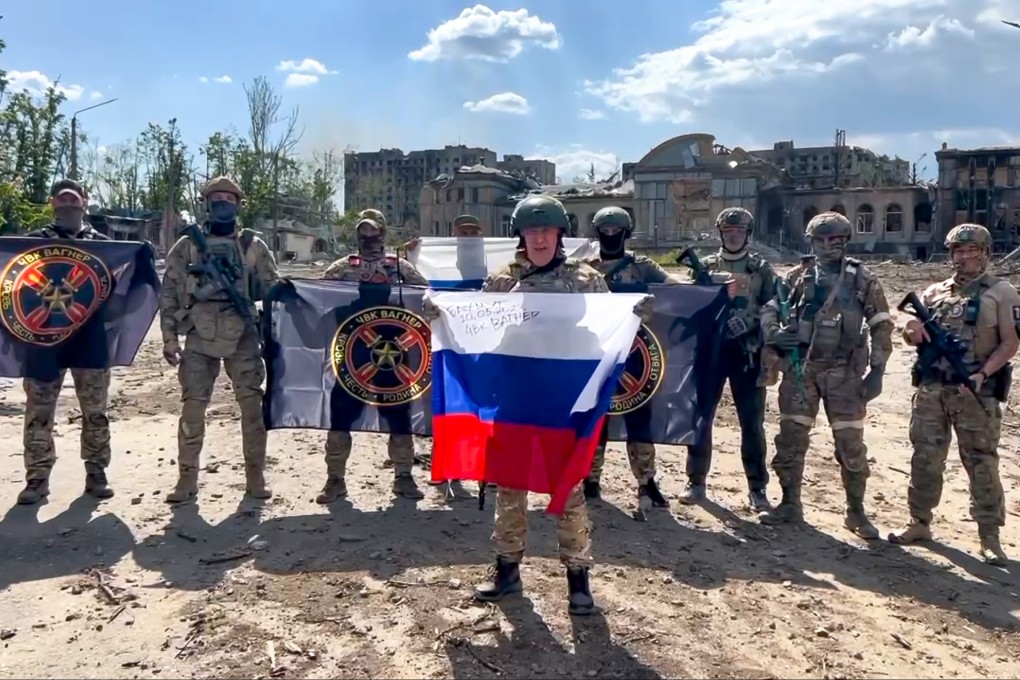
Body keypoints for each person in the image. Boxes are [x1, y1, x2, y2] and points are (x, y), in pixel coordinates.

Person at [459, 194, 631, 616]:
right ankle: (507, 570)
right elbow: (478, 329)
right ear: (520, 234)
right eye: (531, 230)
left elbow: (610, 326)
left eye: (546, 230)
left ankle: (578, 577)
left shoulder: (585, 279)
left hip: (563, 399)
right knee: (509, 484)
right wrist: (443, 317)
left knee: (568, 485)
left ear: (560, 234)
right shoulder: (502, 280)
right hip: (516, 395)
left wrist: (632, 313)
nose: (538, 238)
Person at [888, 224, 1019, 565]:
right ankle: (919, 522)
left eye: (972, 251)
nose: (965, 257)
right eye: (959, 251)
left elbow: (1010, 342)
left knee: (981, 463)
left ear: (985, 253)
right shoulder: (934, 293)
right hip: (933, 389)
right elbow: (911, 334)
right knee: (925, 458)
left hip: (975, 390)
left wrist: (981, 374)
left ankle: (989, 535)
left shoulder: (1001, 292)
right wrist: (911, 331)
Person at [758, 211, 893, 539]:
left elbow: (882, 325)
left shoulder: (863, 279)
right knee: (790, 440)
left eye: (835, 239)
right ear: (812, 242)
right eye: (821, 239)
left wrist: (877, 371)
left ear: (846, 241)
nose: (828, 245)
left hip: (844, 373)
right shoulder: (795, 277)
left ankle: (856, 512)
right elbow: (770, 309)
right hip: (801, 369)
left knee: (850, 444)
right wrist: (776, 334)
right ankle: (790, 503)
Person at [159, 176, 279, 504]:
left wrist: (273, 334)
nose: (223, 203)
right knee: (193, 409)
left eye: (229, 198)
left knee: (252, 409)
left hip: (242, 334)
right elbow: (168, 292)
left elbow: (273, 292)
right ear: (207, 204)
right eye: (216, 198)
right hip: (198, 335)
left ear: (239, 204)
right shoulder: (187, 245)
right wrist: (170, 338)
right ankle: (186, 480)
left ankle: (255, 477)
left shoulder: (253, 246)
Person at [316, 208, 431, 504]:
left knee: (399, 415)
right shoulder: (342, 268)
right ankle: (335, 480)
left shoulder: (400, 268)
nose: (368, 237)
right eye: (362, 232)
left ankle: (403, 476)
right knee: (341, 415)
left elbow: (426, 298)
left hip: (394, 354)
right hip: (352, 354)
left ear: (383, 232)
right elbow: (317, 299)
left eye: (373, 231)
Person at [15, 179, 114, 505]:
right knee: (38, 412)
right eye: (62, 200)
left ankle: (96, 472)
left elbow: (117, 290)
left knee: (95, 411)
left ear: (85, 203)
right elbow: (14, 286)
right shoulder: (31, 245)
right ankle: (37, 478)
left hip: (89, 340)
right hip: (43, 341)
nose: (69, 206)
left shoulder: (103, 246)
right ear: (52, 204)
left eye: (74, 200)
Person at [580, 205, 679, 516]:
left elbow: (675, 290)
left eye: (616, 231)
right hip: (595, 355)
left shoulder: (641, 266)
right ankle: (590, 479)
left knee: (639, 420)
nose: (611, 236)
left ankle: (646, 481)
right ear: (596, 233)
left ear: (626, 232)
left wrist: (709, 286)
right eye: (605, 231)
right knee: (595, 419)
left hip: (638, 357)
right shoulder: (583, 268)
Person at [678, 207, 777, 513]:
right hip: (712, 353)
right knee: (701, 418)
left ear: (748, 233)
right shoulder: (705, 266)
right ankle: (695, 481)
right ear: (721, 233)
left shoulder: (761, 269)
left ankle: (757, 488)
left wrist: (751, 320)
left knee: (752, 423)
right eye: (729, 231)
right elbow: (690, 305)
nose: (734, 235)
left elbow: (776, 304)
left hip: (747, 353)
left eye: (739, 231)